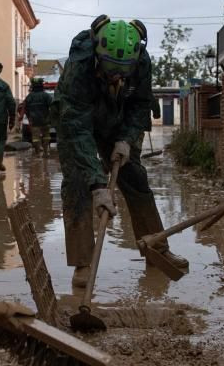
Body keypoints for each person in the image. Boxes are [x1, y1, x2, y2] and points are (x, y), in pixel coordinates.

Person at [56, 15, 188, 289]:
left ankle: (156, 250)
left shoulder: (141, 60)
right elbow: (78, 129)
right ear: (97, 55)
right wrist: (97, 184)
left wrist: (126, 140)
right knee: (78, 184)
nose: (116, 76)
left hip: (118, 121)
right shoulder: (78, 66)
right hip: (77, 120)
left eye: (122, 71)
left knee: (136, 180)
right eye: (110, 70)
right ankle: (83, 263)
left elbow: (140, 104)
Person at [20, 76, 54, 155]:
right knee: (46, 136)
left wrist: (24, 117)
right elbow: (52, 106)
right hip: (45, 120)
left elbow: (24, 107)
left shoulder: (29, 96)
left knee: (35, 138)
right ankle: (46, 152)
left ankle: (38, 153)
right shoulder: (46, 96)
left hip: (34, 121)